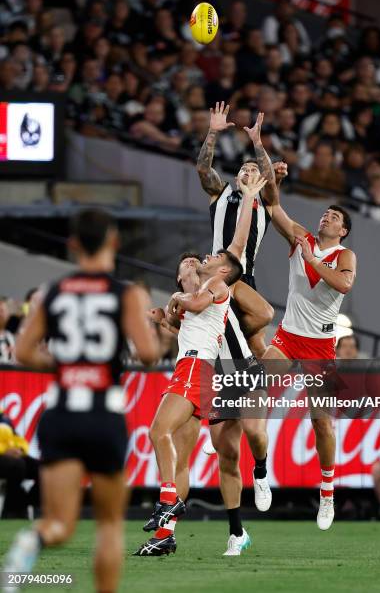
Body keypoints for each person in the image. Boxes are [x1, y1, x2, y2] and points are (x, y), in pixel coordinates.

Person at [2, 209, 161, 592]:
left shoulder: (52, 292)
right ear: (114, 242)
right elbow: (149, 353)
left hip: (60, 415)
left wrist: (64, 365)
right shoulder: (127, 294)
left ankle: (33, 540)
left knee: (59, 523)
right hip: (103, 414)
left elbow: (22, 352)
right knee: (108, 525)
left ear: (72, 245)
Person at [134, 174, 267, 557]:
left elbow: (236, 248)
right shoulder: (197, 293)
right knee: (177, 451)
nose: (199, 258)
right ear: (180, 273)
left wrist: (249, 200)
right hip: (202, 371)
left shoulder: (214, 287)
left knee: (158, 432)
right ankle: (165, 535)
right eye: (188, 262)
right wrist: (166, 320)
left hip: (198, 370)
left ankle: (168, 503)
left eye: (202, 259)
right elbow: (186, 324)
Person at [263, 189, 357, 531]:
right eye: (325, 214)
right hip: (289, 336)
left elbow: (343, 285)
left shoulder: (344, 254)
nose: (326, 218)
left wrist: (313, 259)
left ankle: (327, 492)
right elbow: (273, 206)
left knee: (321, 422)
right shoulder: (301, 237)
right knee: (253, 384)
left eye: (334, 217)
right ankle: (256, 466)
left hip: (320, 346)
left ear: (342, 230)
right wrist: (265, 162)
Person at [196, 101, 278, 358]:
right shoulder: (220, 193)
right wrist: (213, 132)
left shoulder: (266, 202)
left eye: (255, 169)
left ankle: (275, 390)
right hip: (218, 273)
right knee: (263, 316)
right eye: (245, 168)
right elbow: (203, 169)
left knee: (256, 344)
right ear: (236, 177)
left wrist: (257, 142)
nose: (250, 171)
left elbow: (271, 179)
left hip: (246, 275)